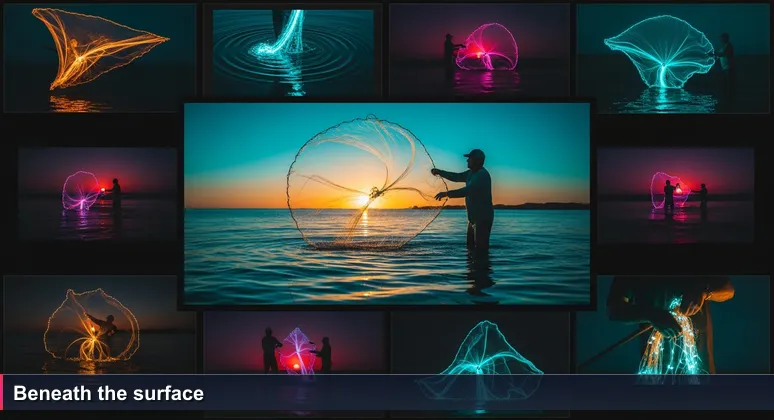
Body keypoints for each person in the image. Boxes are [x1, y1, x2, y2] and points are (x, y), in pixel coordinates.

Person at [606, 275, 735, 374]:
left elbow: (728, 290)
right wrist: (651, 315)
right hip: (656, 367)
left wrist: (705, 293)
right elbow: (614, 309)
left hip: (699, 366)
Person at [432, 149, 494, 251]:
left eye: (469, 158)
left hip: (483, 218)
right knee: (470, 248)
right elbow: (456, 176)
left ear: (478, 160)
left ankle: (482, 266)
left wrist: (446, 194)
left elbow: (467, 191)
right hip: (472, 219)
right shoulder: (470, 173)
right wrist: (440, 172)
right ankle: (472, 266)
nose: (467, 161)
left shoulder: (482, 175)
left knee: (481, 249)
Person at [713, 33, 735, 100]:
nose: (720, 39)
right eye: (721, 38)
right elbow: (719, 54)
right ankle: (727, 97)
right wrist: (714, 53)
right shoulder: (724, 46)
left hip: (728, 67)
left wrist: (714, 53)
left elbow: (722, 54)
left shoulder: (729, 46)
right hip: (725, 67)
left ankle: (729, 98)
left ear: (725, 38)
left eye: (722, 38)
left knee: (728, 83)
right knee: (725, 83)